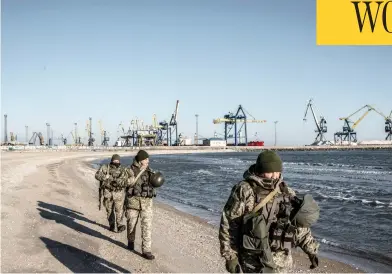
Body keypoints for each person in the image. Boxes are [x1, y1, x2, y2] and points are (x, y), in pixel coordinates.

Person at [219, 150, 320, 273]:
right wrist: (230, 256)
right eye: (270, 171)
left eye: (277, 172)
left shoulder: (285, 191)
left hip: (282, 262)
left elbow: (297, 225)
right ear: (260, 170)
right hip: (254, 261)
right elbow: (229, 223)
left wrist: (311, 250)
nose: (274, 175)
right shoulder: (245, 190)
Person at [124, 150, 161, 260]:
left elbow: (155, 184)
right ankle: (131, 241)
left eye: (148, 159)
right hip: (132, 203)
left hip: (147, 204)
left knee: (147, 227)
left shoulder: (150, 171)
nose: (148, 161)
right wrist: (132, 179)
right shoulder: (129, 170)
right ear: (140, 160)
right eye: (146, 159)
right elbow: (123, 182)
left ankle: (146, 250)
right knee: (131, 224)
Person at [95, 154, 128, 233]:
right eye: (114, 160)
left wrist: (121, 182)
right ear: (112, 160)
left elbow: (127, 180)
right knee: (109, 210)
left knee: (119, 210)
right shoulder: (105, 167)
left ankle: (119, 225)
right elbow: (97, 175)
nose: (116, 162)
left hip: (119, 194)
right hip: (108, 193)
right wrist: (104, 177)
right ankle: (112, 224)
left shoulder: (123, 169)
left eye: (117, 160)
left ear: (119, 161)